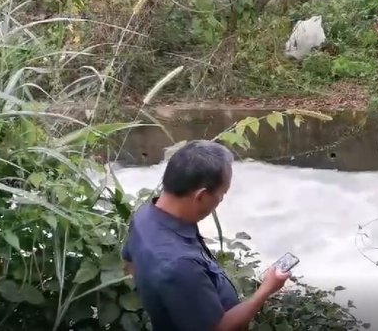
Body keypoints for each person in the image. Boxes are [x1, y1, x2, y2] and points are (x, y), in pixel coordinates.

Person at [121, 140, 290, 331]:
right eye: (222, 194)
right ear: (200, 196)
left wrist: (164, 298)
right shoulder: (180, 265)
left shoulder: (144, 216)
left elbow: (129, 263)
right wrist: (266, 290)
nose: (221, 201)